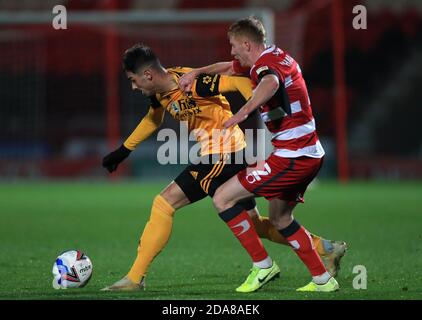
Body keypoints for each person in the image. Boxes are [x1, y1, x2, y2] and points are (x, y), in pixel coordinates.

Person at [101, 43, 344, 292]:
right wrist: (124, 150)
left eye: (133, 80)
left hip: (223, 154)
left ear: (148, 75)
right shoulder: (161, 92)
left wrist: (263, 107)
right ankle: (323, 248)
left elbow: (238, 82)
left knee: (164, 203)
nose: (133, 86)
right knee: (254, 223)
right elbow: (154, 117)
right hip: (224, 155)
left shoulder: (194, 83)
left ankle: (135, 277)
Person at [179, 17, 344, 292]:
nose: (232, 52)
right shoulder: (275, 55)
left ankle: (263, 266)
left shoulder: (266, 68)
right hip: (307, 154)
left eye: (233, 46)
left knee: (222, 197)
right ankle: (323, 280)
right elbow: (229, 68)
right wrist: (196, 72)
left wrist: (243, 112)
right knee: (280, 219)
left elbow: (270, 83)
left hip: (294, 157)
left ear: (246, 43)